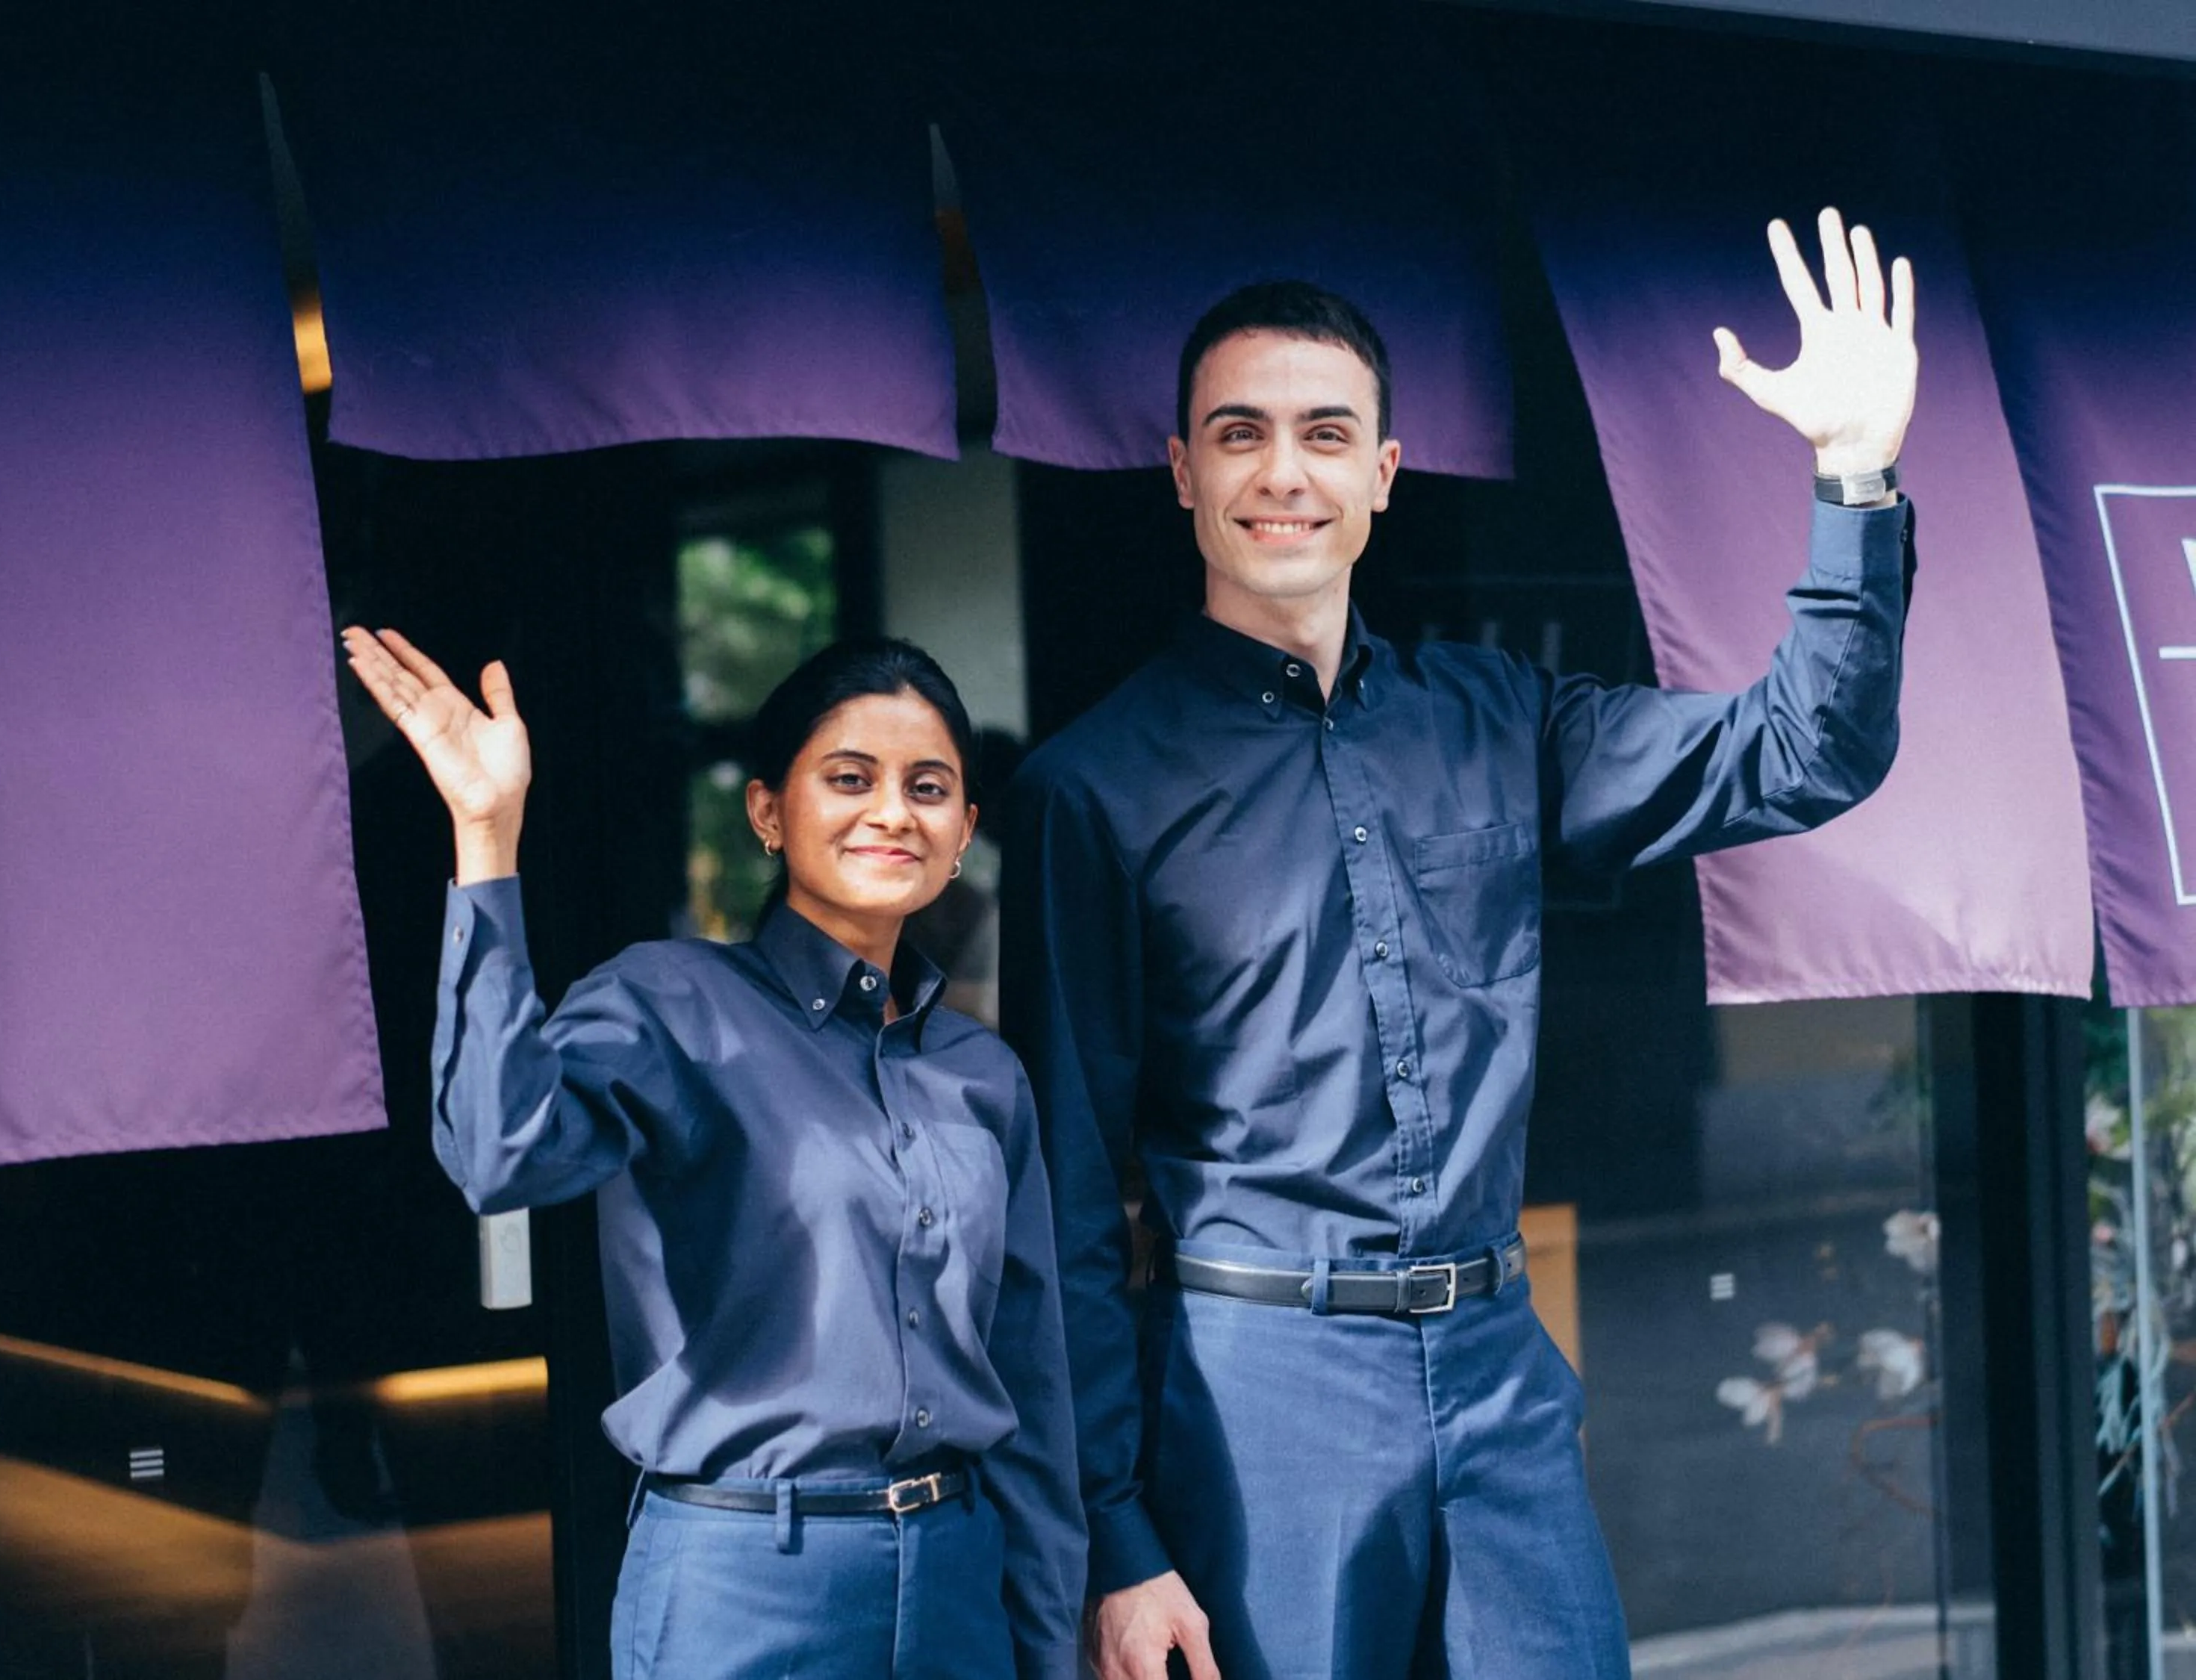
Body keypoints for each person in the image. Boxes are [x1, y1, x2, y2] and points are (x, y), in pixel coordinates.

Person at [999, 208, 1919, 1680]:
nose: (1282, 471)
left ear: (1383, 472)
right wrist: (1117, 1535)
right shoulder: (1090, 792)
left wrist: (1855, 474)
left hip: (1499, 1365)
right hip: (1260, 1395)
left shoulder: (1501, 719)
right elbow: (1057, 1205)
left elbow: (1803, 751)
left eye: (1324, 433)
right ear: (1182, 473)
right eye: (1239, 435)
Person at [341, 628, 1086, 1680]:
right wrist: (487, 834)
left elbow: (1031, 1385)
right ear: (768, 812)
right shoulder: (672, 1004)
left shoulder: (984, 1074)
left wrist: (1047, 1642)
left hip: (958, 1581)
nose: (891, 811)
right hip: (744, 1582)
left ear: (964, 830)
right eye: (849, 778)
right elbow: (500, 1153)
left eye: (928, 788)